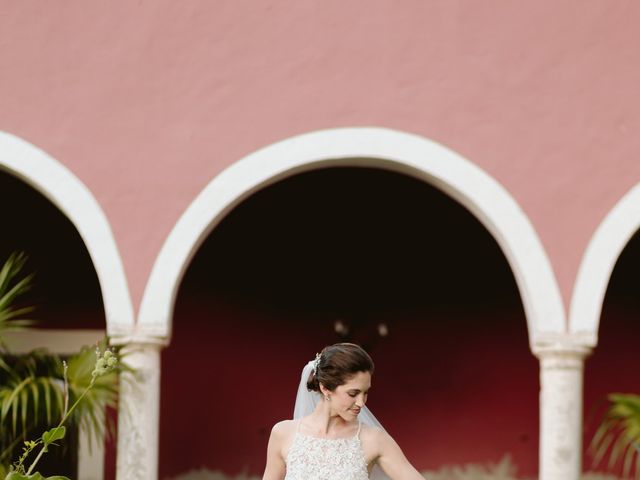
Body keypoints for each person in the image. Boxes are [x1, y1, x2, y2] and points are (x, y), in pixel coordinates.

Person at [262, 343, 425, 480]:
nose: (361, 402)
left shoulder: (375, 439)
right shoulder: (283, 434)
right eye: (353, 393)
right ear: (325, 388)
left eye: (365, 392)